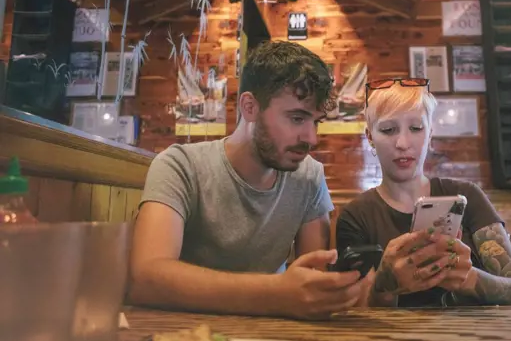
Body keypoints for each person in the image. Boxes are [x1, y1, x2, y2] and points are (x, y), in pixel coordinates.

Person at [129, 41, 366, 320]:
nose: (311, 139)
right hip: (186, 339)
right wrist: (275, 294)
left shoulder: (309, 176)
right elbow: (145, 278)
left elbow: (313, 282)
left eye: (315, 121)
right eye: (297, 118)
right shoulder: (180, 166)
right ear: (250, 107)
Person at [336, 79, 511, 308]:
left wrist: (469, 278)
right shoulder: (356, 216)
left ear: (430, 134)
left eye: (416, 128)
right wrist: (385, 286)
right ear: (370, 136)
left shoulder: (468, 196)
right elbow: (352, 313)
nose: (403, 143)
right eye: (388, 130)